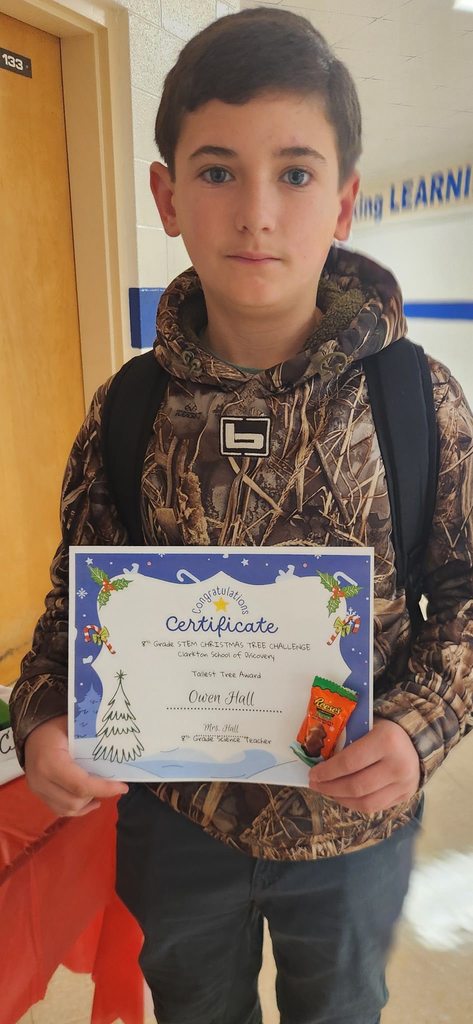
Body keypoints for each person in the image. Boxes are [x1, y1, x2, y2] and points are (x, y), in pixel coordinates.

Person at [10, 7, 473, 1024]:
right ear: (166, 196)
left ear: (343, 200)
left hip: (352, 837)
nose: (256, 210)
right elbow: (69, 612)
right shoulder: (129, 409)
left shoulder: (413, 399)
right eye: (217, 171)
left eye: (295, 172)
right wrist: (41, 716)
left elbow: (464, 600)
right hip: (176, 834)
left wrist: (414, 727)